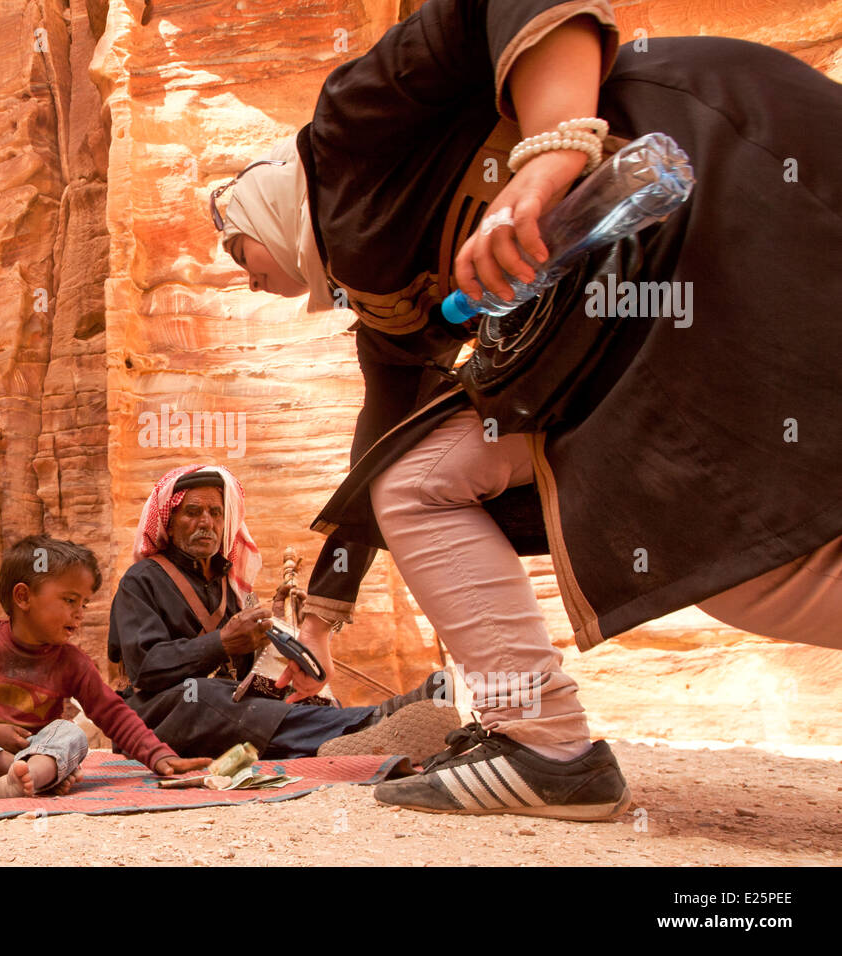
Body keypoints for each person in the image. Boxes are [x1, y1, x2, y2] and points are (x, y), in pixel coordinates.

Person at [213, 0, 842, 819]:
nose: (236, 269)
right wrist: (323, 619)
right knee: (747, 565)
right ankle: (546, 750)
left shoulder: (348, 131)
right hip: (655, 328)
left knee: (741, 548)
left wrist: (548, 161)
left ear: (269, 198)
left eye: (234, 243)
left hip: (732, 177)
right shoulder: (383, 308)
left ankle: (546, 746)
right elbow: (381, 451)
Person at [107, 464, 459, 760]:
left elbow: (245, 674)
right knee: (202, 694)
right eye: (193, 512)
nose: (207, 523)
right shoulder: (141, 580)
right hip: (153, 717)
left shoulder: (229, 585)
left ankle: (367, 729)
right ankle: (370, 724)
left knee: (286, 693)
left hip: (220, 710)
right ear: (169, 521)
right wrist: (222, 642)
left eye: (216, 513)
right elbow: (145, 669)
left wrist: (277, 634)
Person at [0, 535, 210, 798]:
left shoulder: (72, 662)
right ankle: (21, 772)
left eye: (84, 604)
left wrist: (158, 755)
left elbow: (112, 713)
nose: (79, 613)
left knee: (71, 733)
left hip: (35, 750)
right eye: (70, 600)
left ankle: (29, 776)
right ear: (22, 597)